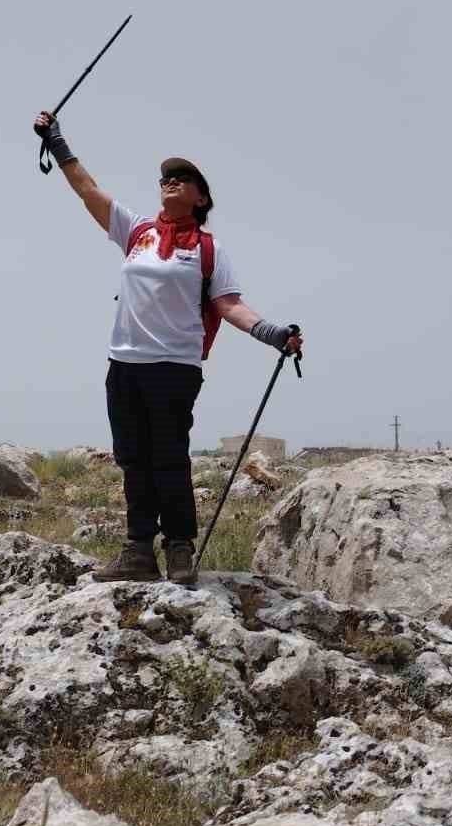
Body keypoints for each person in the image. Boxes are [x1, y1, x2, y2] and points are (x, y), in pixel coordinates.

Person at [33, 109, 303, 584]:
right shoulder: (137, 232)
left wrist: (274, 333)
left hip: (174, 367)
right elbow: (87, 189)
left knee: (169, 456)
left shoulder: (208, 249)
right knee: (132, 458)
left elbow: (229, 304)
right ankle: (138, 551)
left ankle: (179, 547)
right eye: (165, 179)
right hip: (125, 363)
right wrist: (57, 142)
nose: (170, 182)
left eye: (182, 179)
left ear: (201, 198)